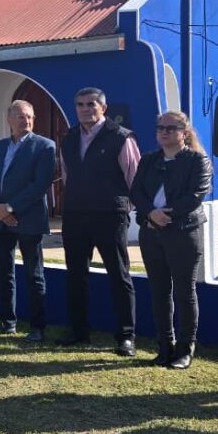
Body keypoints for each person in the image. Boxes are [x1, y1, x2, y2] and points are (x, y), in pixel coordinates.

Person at [57, 87, 141, 356]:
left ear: (103, 108)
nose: (85, 109)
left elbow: (134, 178)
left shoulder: (120, 137)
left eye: (91, 104)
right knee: (76, 275)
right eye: (80, 104)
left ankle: (126, 336)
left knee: (119, 275)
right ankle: (79, 332)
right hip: (75, 215)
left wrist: (128, 209)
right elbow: (68, 176)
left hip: (110, 216)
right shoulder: (68, 139)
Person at [129, 111, 212, 370]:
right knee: (159, 291)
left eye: (170, 128)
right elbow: (136, 191)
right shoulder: (149, 160)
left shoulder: (197, 160)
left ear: (184, 132)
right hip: (151, 232)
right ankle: (164, 347)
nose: (164, 132)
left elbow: (195, 196)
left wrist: (167, 215)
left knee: (185, 292)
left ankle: (184, 350)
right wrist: (151, 214)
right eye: (160, 128)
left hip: (184, 233)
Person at [0, 101, 57, 341]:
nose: (26, 121)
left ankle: (37, 327)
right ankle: (7, 323)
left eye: (30, 117)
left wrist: (11, 207)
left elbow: (40, 184)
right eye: (21, 116)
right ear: (9, 119)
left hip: (28, 220)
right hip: (0, 221)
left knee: (34, 274)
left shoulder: (45, 146)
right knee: (4, 273)